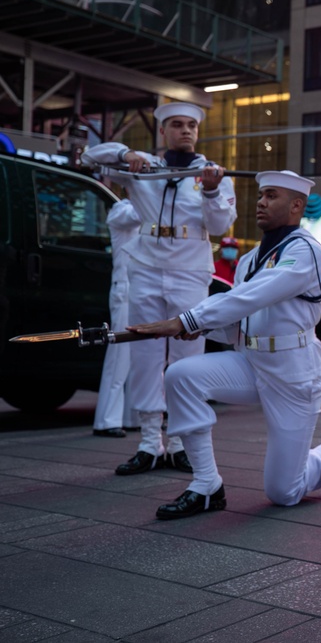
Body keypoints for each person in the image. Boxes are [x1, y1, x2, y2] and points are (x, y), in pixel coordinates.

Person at [128, 170, 321, 519]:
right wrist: (198, 328)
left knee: (284, 492)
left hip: (293, 375)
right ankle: (206, 486)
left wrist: (188, 320)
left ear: (295, 205)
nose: (260, 202)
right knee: (181, 375)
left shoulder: (307, 251)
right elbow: (238, 322)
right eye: (261, 195)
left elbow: (254, 295)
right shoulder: (248, 260)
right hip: (250, 363)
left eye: (271, 196)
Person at [82, 101, 237, 476]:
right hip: (147, 268)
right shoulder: (143, 168)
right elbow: (89, 157)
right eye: (177, 125)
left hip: (189, 270)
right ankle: (150, 442)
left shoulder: (211, 172)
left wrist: (212, 192)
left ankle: (182, 442)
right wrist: (125, 153)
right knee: (145, 353)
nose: (186, 131)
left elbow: (219, 226)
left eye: (191, 126)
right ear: (163, 131)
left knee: (187, 356)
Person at [93, 199, 141, 438]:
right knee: (119, 357)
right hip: (125, 289)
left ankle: (134, 415)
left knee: (141, 355)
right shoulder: (122, 209)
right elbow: (138, 214)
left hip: (143, 289)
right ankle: (106, 420)